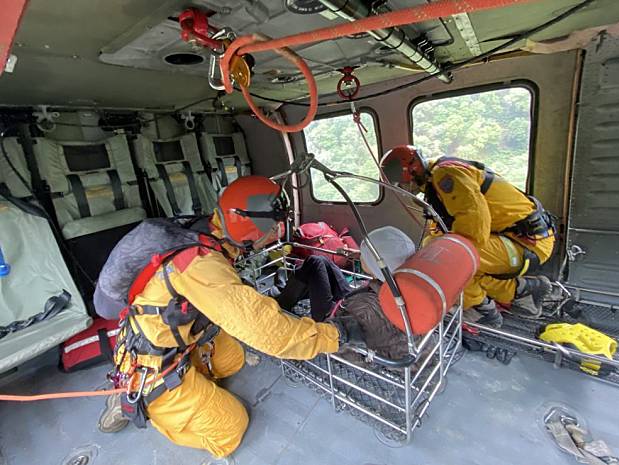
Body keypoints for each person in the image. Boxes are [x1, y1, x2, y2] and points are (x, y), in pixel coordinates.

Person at [94, 176, 360, 459]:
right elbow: (269, 332)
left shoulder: (207, 233)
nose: (276, 233)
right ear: (248, 227)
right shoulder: (199, 263)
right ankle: (131, 400)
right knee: (229, 428)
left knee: (233, 358)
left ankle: (194, 387)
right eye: (271, 228)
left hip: (183, 339)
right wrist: (337, 335)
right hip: (153, 364)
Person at [380, 145, 556, 327]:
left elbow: (474, 225)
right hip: (516, 239)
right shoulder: (436, 180)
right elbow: (441, 228)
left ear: (412, 172)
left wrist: (441, 260)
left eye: (403, 184)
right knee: (434, 247)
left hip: (527, 243)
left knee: (449, 265)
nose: (405, 189)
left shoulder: (446, 175)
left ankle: (482, 311)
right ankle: (523, 291)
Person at [276, 226, 418, 361]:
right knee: (320, 261)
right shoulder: (397, 283)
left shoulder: (366, 310)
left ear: (377, 265)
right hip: (354, 301)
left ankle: (279, 303)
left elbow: (342, 340)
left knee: (314, 263)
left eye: (365, 255)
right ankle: (291, 290)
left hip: (335, 321)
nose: (361, 255)